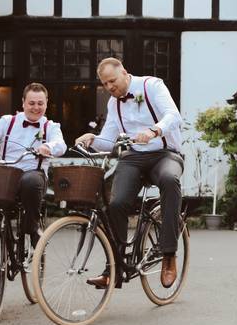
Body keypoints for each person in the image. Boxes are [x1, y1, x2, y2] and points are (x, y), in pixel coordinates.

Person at [75, 58, 185, 289]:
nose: (110, 87)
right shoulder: (113, 104)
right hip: (133, 157)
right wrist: (92, 139)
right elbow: (108, 141)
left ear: (124, 72)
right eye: (105, 84)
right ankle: (113, 268)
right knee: (116, 203)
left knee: (169, 179)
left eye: (112, 81)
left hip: (165, 153)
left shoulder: (151, 86)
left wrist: (154, 130)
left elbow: (173, 116)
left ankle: (169, 255)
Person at [0, 82, 67, 246]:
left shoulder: (51, 126)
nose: (36, 107)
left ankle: (31, 228)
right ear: (23, 102)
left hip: (34, 174)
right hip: (5, 177)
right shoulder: (7, 122)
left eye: (40, 103)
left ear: (46, 103)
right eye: (31, 103)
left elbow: (61, 145)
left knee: (30, 181)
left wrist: (48, 146)